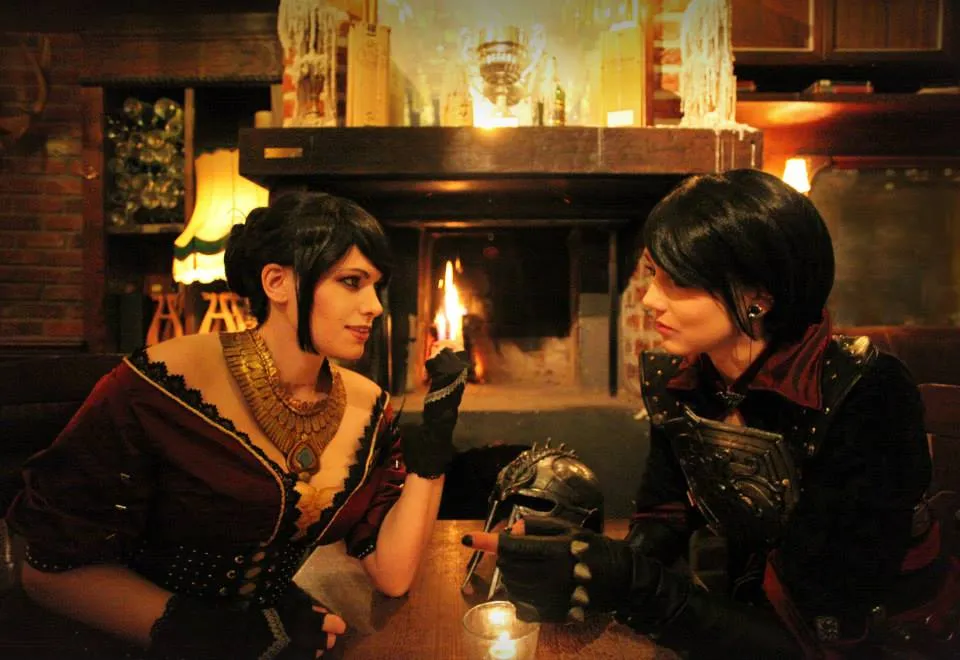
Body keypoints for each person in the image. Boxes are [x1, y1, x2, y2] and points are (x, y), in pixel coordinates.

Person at [463, 169, 959, 658]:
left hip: (881, 635)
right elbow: (665, 512)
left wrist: (634, 584)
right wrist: (589, 564)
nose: (650, 300)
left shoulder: (867, 391)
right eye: (653, 274)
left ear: (758, 296)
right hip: (749, 609)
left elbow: (825, 616)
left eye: (676, 281)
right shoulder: (684, 378)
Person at [5, 191, 469, 659]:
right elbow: (46, 572)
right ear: (276, 282)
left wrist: (434, 441)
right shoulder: (162, 383)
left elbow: (392, 574)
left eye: (376, 286)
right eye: (351, 282)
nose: (375, 306)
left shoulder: (368, 407)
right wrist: (217, 636)